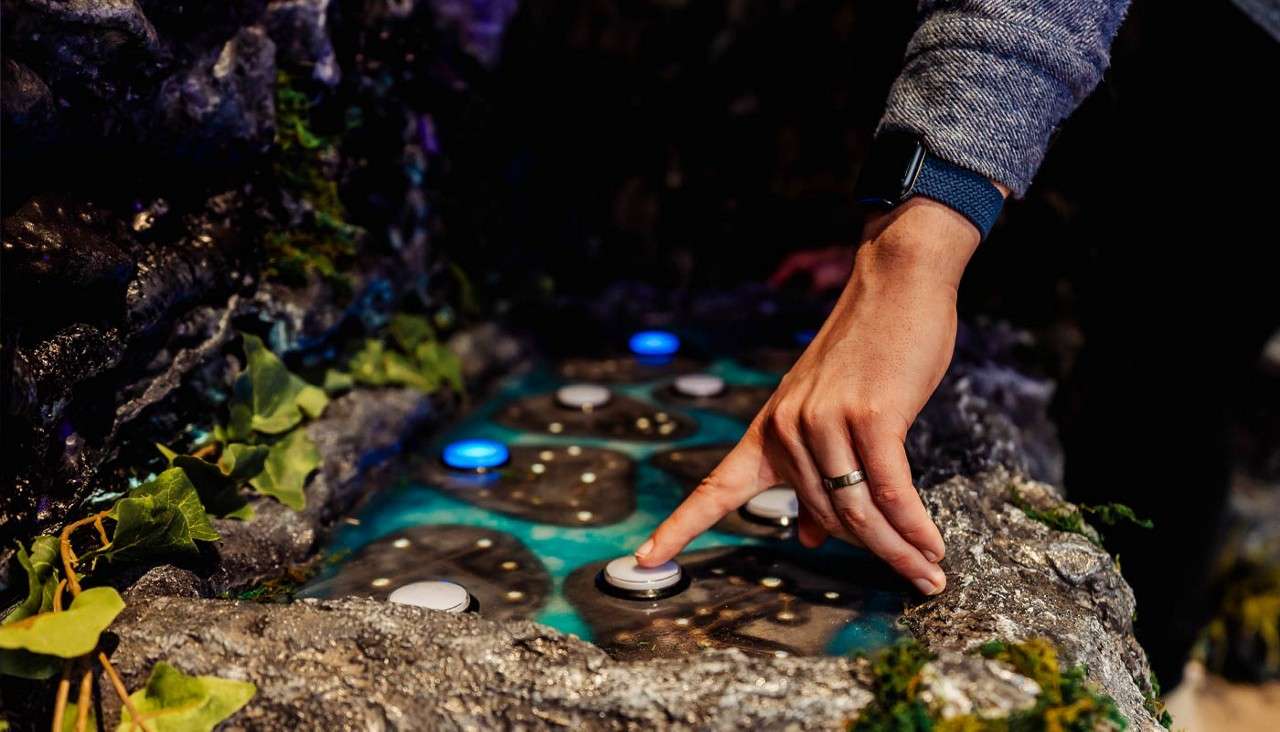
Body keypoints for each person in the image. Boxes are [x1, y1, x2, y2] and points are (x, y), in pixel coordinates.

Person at [636, 0, 1279, 685]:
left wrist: (910, 255)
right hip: (1131, 81)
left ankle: (1143, 685)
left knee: (1164, 390)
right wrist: (887, 235)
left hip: (1238, 75)